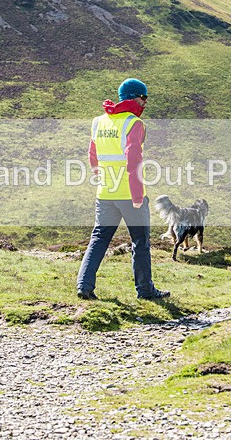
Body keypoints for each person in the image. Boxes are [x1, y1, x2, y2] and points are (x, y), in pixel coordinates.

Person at [76, 78, 170, 300]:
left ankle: (84, 286)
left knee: (99, 238)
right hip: (129, 195)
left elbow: (93, 155)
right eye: (143, 97)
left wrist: (100, 177)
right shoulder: (133, 123)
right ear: (133, 98)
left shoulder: (99, 121)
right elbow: (133, 160)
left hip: (105, 192)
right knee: (141, 241)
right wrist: (137, 195)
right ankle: (145, 291)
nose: (146, 103)